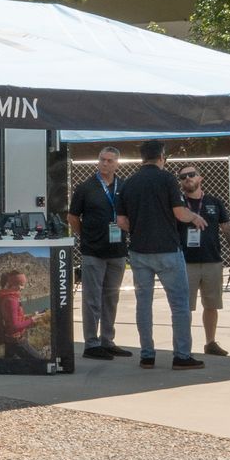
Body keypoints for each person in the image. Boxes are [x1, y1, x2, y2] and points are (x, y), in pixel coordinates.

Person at [115, 139, 208, 371]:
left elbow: (121, 221)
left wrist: (138, 229)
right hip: (167, 250)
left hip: (139, 251)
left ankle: (147, 355)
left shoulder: (128, 183)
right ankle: (182, 355)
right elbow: (178, 212)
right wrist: (194, 217)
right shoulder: (166, 179)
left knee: (143, 304)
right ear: (162, 157)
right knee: (179, 305)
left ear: (142, 157)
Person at [68, 146, 129, 360]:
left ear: (117, 163)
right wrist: (85, 236)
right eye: (102, 160)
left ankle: (107, 340)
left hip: (118, 251)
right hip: (93, 250)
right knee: (92, 298)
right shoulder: (86, 187)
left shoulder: (124, 186)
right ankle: (91, 343)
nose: (105, 164)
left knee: (111, 297)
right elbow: (73, 217)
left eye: (110, 160)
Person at [176, 166, 230, 357]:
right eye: (183, 177)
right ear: (180, 181)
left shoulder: (214, 202)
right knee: (185, 307)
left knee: (211, 305)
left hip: (212, 261)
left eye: (191, 175)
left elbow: (227, 228)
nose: (188, 179)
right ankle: (183, 346)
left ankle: (210, 342)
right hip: (185, 262)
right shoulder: (177, 203)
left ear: (200, 178)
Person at [0, 268, 50, 366]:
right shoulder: (12, 300)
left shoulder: (5, 296)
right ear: (15, 284)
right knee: (42, 362)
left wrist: (31, 316)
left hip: (9, 339)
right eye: (22, 284)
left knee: (8, 364)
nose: (23, 287)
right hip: (17, 340)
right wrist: (32, 319)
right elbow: (15, 326)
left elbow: (12, 319)